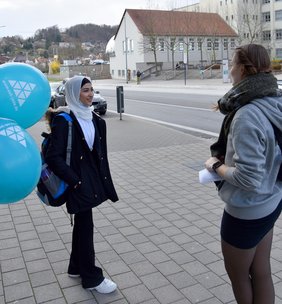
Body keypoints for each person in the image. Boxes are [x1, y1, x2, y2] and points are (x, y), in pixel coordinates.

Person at [204, 44, 282, 304]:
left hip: (247, 211)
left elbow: (249, 179)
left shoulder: (247, 114)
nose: (230, 69)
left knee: (240, 277)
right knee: (261, 272)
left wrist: (215, 166)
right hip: (272, 199)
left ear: (242, 69)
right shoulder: (276, 98)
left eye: (232, 63)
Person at [45, 76, 119, 293]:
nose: (90, 94)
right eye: (85, 90)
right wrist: (75, 181)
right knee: (86, 228)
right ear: (73, 93)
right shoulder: (64, 120)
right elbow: (53, 157)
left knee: (82, 225)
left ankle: (75, 267)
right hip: (76, 183)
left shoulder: (94, 118)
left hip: (91, 181)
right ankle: (92, 278)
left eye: (92, 89)